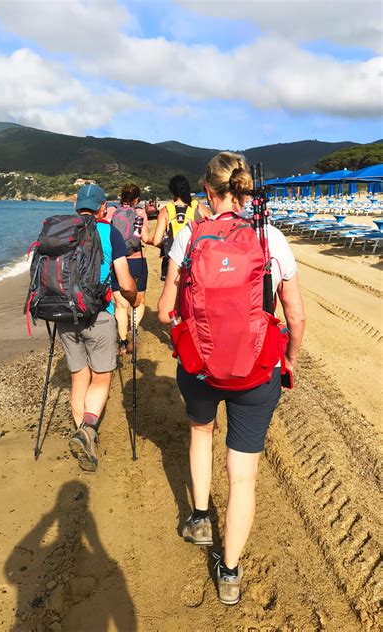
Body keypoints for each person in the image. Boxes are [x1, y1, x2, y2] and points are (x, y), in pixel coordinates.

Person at [157, 152, 305, 606]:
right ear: (244, 191)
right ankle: (231, 570)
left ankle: (200, 518)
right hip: (258, 370)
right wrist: (290, 359)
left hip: (200, 368)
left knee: (201, 432)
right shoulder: (271, 238)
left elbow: (165, 312)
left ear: (208, 192)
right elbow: (295, 317)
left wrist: (192, 331)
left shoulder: (190, 237)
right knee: (243, 476)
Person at [58, 184, 138, 472]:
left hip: (64, 314)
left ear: (76, 206)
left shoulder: (61, 231)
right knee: (101, 378)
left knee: (79, 378)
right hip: (99, 314)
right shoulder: (109, 232)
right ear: (103, 207)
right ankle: (88, 431)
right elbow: (125, 281)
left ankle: (82, 432)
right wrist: (133, 297)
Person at [111, 183, 150, 354]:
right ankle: (133, 331)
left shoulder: (112, 212)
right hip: (136, 261)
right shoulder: (140, 213)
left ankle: (123, 342)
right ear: (136, 199)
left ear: (121, 197)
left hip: (117, 261)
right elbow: (146, 237)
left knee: (120, 305)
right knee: (138, 301)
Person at [151, 175, 209, 280]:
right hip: (195, 259)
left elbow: (156, 241)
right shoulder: (199, 207)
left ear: (172, 192)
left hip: (172, 261)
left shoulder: (166, 210)